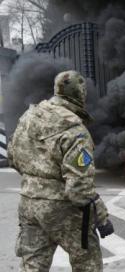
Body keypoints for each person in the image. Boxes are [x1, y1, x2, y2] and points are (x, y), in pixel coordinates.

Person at [7, 70, 114, 271]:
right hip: (62, 209)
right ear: (81, 94)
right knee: (87, 262)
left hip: (29, 204)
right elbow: (78, 189)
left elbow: (13, 157)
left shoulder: (30, 116)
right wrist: (101, 216)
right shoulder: (74, 130)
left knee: (33, 266)